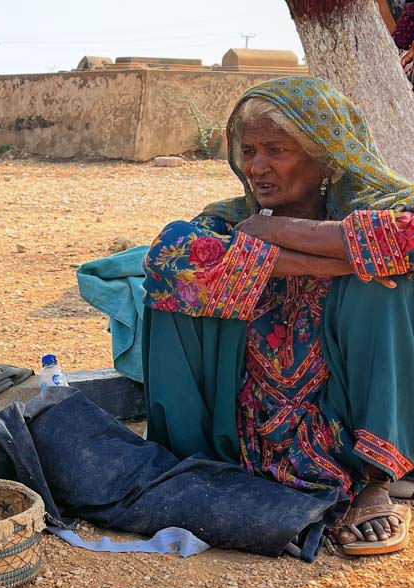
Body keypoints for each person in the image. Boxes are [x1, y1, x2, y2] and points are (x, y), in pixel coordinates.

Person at [141, 76, 414, 554]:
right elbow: (163, 258)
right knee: (177, 281)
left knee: (384, 287)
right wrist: (273, 256)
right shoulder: (232, 219)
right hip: (249, 428)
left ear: (327, 157)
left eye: (276, 150)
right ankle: (197, 456)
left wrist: (285, 231)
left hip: (340, 414)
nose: (257, 168)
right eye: (248, 151)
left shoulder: (377, 206)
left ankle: (374, 478)